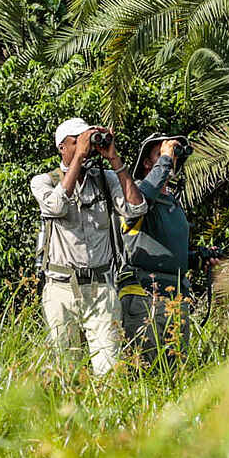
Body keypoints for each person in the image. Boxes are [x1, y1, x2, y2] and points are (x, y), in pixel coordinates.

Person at [31, 117, 147, 376]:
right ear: (63, 147)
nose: (87, 144)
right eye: (78, 140)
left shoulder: (106, 179)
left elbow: (137, 208)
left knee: (110, 367)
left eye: (89, 138)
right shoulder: (44, 181)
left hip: (101, 287)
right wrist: (79, 158)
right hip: (61, 287)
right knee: (66, 369)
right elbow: (56, 207)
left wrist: (115, 159)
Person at [122, 133, 195, 366]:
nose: (169, 157)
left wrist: (197, 258)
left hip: (175, 297)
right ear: (147, 163)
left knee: (173, 373)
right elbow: (142, 200)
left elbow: (168, 253)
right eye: (160, 153)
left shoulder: (173, 202)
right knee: (144, 369)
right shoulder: (137, 196)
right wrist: (164, 160)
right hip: (145, 297)